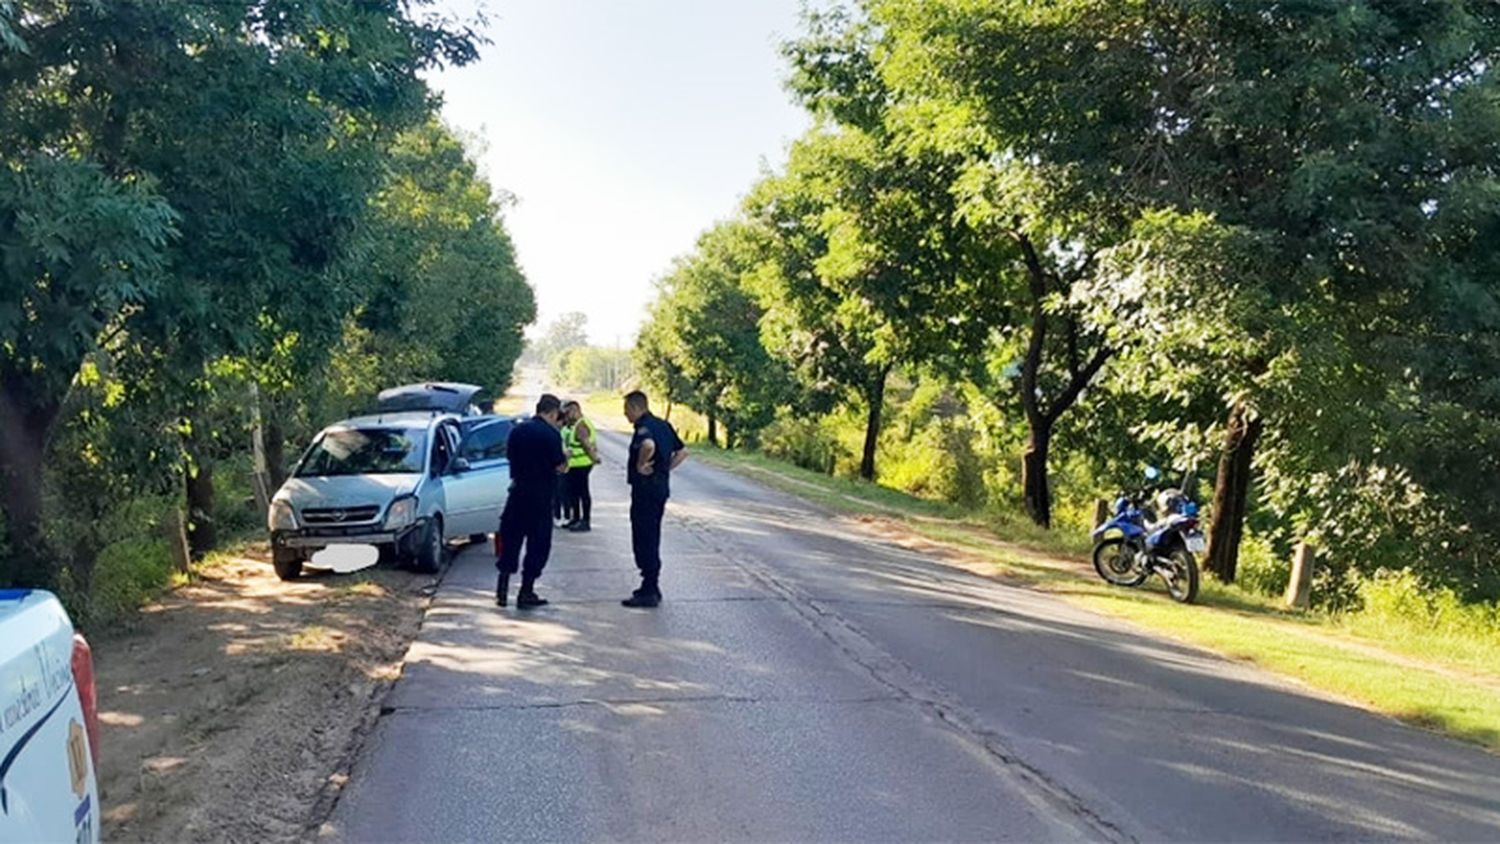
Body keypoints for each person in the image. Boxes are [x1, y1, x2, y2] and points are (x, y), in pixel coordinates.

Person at [496, 393, 567, 609]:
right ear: (553, 413)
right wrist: (567, 458)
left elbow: (509, 457)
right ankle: (526, 591)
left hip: (517, 493)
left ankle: (502, 588)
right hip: (541, 496)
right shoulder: (552, 435)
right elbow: (559, 466)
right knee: (538, 543)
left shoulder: (517, 430)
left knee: (511, 539)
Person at [621, 390, 687, 608]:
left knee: (644, 536)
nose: (625, 415)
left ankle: (649, 588)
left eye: (627, 410)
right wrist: (665, 468)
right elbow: (682, 451)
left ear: (635, 407)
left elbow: (648, 446)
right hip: (660, 488)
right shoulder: (663, 425)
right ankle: (650, 585)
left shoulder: (644, 428)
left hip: (646, 490)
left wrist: (641, 465)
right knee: (652, 534)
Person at [561, 400, 600, 532]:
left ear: (574, 410)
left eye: (567, 413)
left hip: (582, 465)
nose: (565, 416)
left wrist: (595, 458)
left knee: (582, 492)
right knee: (574, 493)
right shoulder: (574, 425)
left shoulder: (580, 426)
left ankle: (585, 521)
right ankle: (576, 518)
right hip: (575, 465)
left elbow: (586, 444)